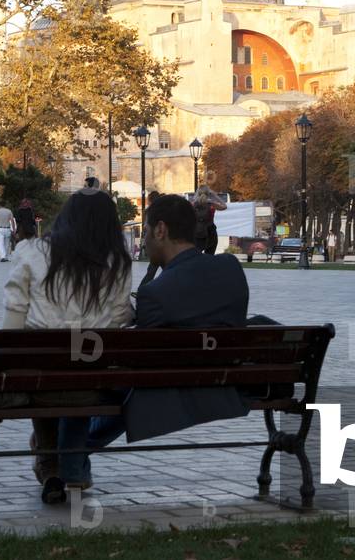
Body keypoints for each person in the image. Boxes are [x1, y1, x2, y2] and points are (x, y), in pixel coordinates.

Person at [0, 187, 133, 504]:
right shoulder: (118, 263)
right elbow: (120, 318)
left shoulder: (31, 252)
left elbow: (11, 328)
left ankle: (49, 467)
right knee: (69, 371)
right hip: (90, 383)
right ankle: (62, 469)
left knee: (40, 369)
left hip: (37, 381)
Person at [79, 194, 250, 464]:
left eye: (145, 231)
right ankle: (72, 452)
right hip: (227, 381)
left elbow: (139, 364)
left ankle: (70, 449)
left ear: (161, 230)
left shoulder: (154, 294)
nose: (144, 240)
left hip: (177, 387)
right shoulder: (231, 267)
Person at [192, 185, 228, 254]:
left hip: (197, 230)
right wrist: (215, 195)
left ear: (198, 193)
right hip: (210, 230)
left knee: (196, 254)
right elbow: (224, 206)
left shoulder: (194, 204)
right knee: (210, 254)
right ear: (209, 193)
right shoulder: (211, 204)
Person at [139, 191, 163, 286]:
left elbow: (147, 227)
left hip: (155, 242)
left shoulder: (150, 211)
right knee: (154, 268)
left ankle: (142, 289)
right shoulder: (162, 210)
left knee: (152, 269)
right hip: (161, 242)